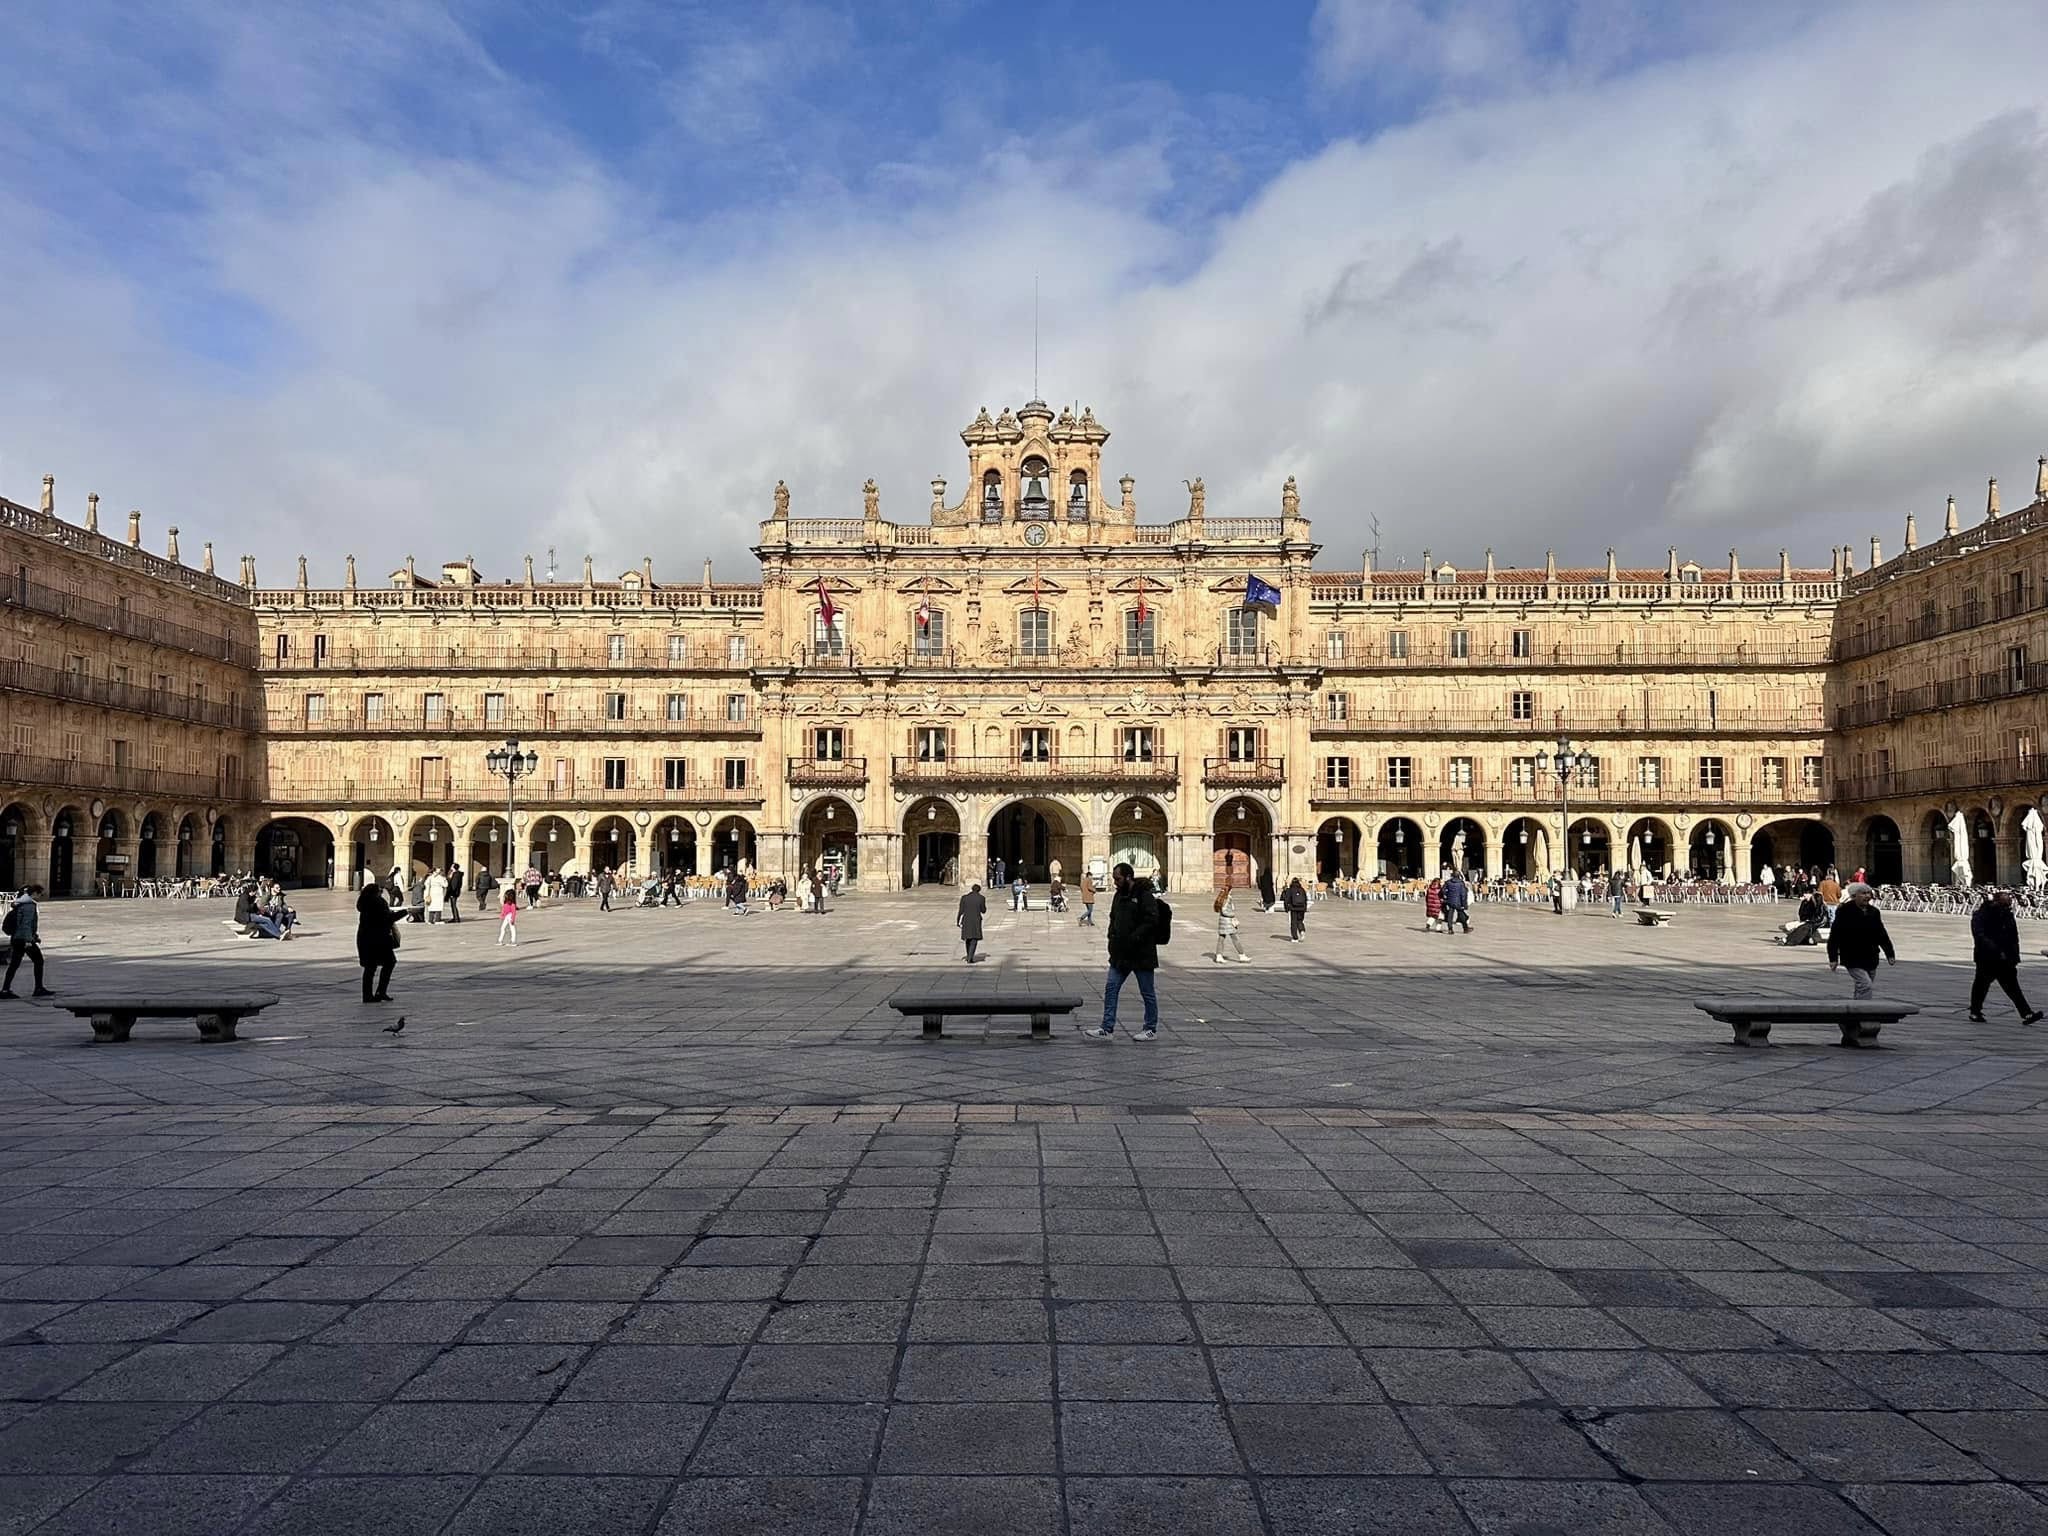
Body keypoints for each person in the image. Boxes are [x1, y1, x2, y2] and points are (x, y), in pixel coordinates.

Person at [1085, 862, 1161, 1040]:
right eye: (1114, 879)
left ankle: (1150, 1029)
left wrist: (1134, 937)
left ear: (1128, 877)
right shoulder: (1119, 895)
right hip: (1121, 954)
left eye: (1118, 879)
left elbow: (1152, 920)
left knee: (1147, 992)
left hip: (1141, 953)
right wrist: (1112, 937)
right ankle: (1107, 1028)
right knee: (1111, 988)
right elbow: (1113, 918)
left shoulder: (1144, 895)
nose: (1115, 882)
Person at [1968, 890, 2042, 1024]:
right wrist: (1996, 950)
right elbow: (1980, 936)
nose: (2008, 907)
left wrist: (2014, 956)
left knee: (2013, 987)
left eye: (2009, 904)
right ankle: (1975, 1012)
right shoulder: (1981, 915)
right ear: (1996, 902)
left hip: (2006, 958)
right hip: (1987, 958)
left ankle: (2027, 1014)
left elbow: (2014, 937)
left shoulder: (2007, 915)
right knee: (1981, 986)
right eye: (2005, 904)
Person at [1826, 881, 1895, 999]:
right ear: (1854, 896)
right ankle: (1864, 1010)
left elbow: (1881, 934)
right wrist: (1833, 958)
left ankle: (1856, 1011)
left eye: (1868, 893)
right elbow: (1835, 935)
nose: (1867, 896)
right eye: (1863, 893)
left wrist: (1890, 954)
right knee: (1865, 984)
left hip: (1871, 955)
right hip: (1851, 955)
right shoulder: (1844, 911)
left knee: (1862, 987)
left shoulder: (1874, 912)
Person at [2, 885, 51, 998]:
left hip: (16, 938)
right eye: (40, 894)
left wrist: (35, 936)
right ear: (34, 893)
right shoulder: (29, 905)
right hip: (24, 940)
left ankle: (5, 989)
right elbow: (26, 924)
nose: (40, 896)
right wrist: (29, 940)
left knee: (14, 964)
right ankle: (38, 988)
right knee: (39, 961)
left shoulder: (20, 903)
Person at [355, 882, 400, 1004]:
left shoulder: (364, 902)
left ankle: (368, 995)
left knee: (370, 968)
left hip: (365, 938)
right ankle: (380, 991)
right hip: (378, 939)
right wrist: (405, 912)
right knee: (389, 963)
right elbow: (387, 919)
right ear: (375, 892)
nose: (381, 892)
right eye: (379, 890)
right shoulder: (377, 902)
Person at [1214, 885, 1249, 963]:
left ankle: (1219, 956)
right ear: (1229, 891)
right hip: (1228, 922)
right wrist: (1232, 914)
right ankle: (1242, 955)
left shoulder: (1222, 897)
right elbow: (1224, 910)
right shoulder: (1227, 898)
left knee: (1221, 939)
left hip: (1222, 921)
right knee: (1235, 939)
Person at [957, 881, 987, 963]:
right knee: (974, 939)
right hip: (976, 921)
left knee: (968, 938)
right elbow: (983, 910)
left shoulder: (964, 897)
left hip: (966, 920)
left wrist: (958, 921)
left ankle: (969, 956)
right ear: (979, 890)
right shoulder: (981, 898)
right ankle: (970, 957)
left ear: (972, 889)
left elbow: (961, 911)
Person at [1283, 877, 1308, 942]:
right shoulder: (1302, 889)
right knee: (1300, 921)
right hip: (1301, 908)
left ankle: (1295, 938)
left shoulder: (1290, 890)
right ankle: (1302, 931)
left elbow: (1286, 900)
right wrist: (1305, 908)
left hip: (1293, 908)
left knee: (1293, 923)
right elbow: (1305, 899)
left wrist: (1286, 908)